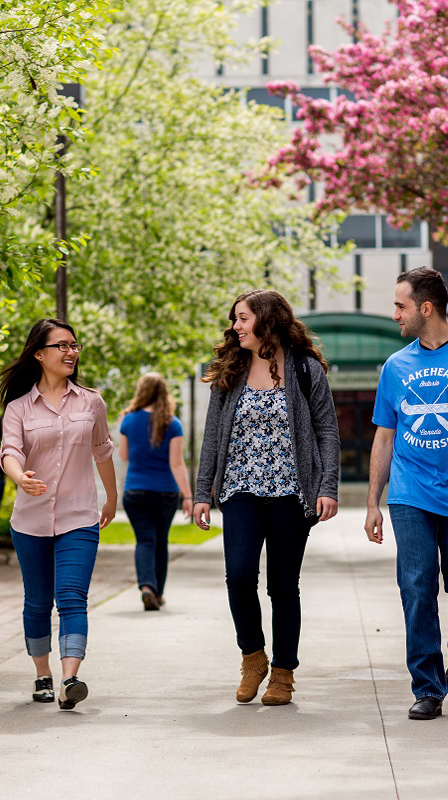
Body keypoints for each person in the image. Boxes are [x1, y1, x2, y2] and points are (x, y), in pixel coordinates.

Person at [365, 267, 448, 720]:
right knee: (417, 587)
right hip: (411, 494)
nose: (395, 314)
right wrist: (373, 503)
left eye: (401, 305)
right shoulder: (395, 366)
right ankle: (427, 686)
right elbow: (384, 438)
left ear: (426, 308)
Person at [194, 289, 340, 705]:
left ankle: (283, 673)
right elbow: (212, 438)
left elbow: (327, 432)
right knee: (239, 577)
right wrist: (203, 492)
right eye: (235, 319)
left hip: (291, 493)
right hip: (240, 488)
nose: (235, 327)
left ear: (267, 320)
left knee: (282, 586)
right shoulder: (231, 369)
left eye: (242, 318)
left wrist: (326, 486)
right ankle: (253, 655)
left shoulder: (305, 369)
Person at [0, 318, 116, 710]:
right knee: (37, 601)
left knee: (71, 598)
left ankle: (70, 679)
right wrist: (21, 478)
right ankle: (42, 674)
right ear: (39, 354)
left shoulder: (91, 401)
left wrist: (112, 499)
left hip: (78, 516)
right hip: (30, 520)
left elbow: (102, 451)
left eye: (75, 345)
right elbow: (10, 452)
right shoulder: (18, 408)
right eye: (62, 345)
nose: (71, 352)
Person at [118, 372, 192, 611]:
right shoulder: (173, 423)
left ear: (142, 391)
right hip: (165, 492)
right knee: (161, 541)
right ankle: (157, 593)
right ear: (164, 393)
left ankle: (147, 586)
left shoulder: (128, 420)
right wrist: (188, 496)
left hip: (135, 490)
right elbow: (177, 463)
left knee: (145, 540)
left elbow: (123, 456)